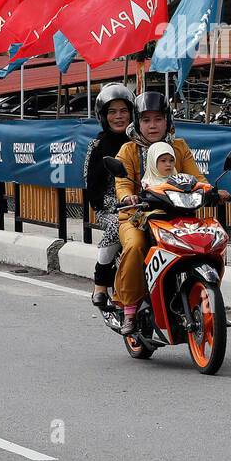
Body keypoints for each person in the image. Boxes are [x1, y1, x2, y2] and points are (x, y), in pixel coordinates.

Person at [111, 92, 230, 335]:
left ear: (168, 121)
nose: (152, 125)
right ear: (137, 122)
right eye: (146, 120)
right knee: (134, 246)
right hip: (137, 216)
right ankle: (130, 309)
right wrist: (127, 197)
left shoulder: (179, 146)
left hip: (178, 214)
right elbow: (122, 183)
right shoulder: (128, 150)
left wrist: (212, 191)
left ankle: (210, 305)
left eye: (158, 119)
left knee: (205, 241)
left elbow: (196, 177)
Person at [81, 83, 136, 306]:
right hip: (110, 207)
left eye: (124, 111)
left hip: (145, 202)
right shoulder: (97, 146)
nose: (119, 117)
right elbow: (91, 184)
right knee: (117, 225)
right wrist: (111, 204)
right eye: (112, 112)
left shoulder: (142, 141)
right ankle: (100, 283)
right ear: (103, 116)